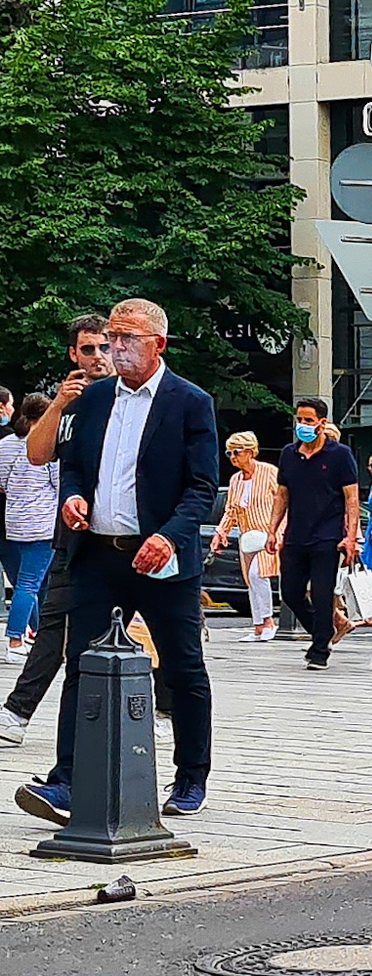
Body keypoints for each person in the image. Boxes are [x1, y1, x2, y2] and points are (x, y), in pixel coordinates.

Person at [22, 298, 219, 824]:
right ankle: (67, 779)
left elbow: (201, 488)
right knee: (82, 666)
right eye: (112, 336)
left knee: (181, 667)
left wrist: (172, 537)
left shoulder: (190, 402)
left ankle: (191, 776)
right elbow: (73, 468)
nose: (116, 345)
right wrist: (73, 497)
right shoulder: (95, 398)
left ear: (159, 344)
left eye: (127, 336)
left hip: (161, 557)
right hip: (98, 554)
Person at [0, 315, 110, 755]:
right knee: (54, 622)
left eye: (105, 347)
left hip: (127, 536)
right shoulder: (71, 402)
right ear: (73, 354)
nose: (98, 358)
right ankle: (18, 711)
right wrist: (59, 404)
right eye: (88, 350)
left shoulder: (133, 398)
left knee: (160, 630)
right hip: (72, 534)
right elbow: (36, 454)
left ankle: (164, 711)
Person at [270, 396, 361, 670]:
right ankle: (322, 632)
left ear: (322, 423)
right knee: (290, 592)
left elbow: (352, 499)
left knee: (322, 594)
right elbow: (282, 494)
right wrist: (272, 530)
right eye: (299, 420)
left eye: (308, 420)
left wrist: (351, 536)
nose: (303, 425)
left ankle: (320, 649)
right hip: (296, 534)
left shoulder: (339, 455)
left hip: (328, 535)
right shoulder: (289, 453)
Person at [0, 394, 61, 660]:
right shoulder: (50, 445)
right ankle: (15, 639)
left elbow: (2, 481)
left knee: (28, 581)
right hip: (43, 523)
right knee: (30, 584)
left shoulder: (5, 444)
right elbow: (59, 486)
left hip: (13, 521)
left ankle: (37, 633)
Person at [207, 432, 283, 643]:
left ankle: (268, 621)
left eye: (237, 452)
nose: (232, 457)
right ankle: (258, 626)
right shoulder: (235, 480)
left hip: (268, 534)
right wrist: (220, 533)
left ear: (250, 452)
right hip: (247, 536)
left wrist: (278, 532)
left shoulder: (269, 472)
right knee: (250, 579)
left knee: (259, 574)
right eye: (229, 452)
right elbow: (231, 510)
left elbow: (283, 502)